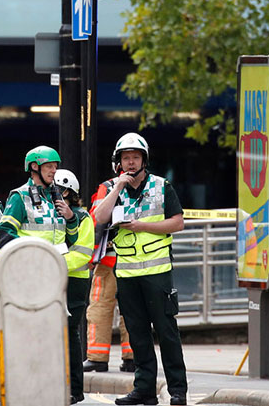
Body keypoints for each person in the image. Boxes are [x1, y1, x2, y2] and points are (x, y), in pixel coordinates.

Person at [92, 133, 187, 406]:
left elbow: (177, 223)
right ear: (118, 162)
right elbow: (98, 218)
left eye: (135, 157)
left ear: (144, 160)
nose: (130, 163)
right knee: (137, 335)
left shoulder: (161, 186)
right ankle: (144, 389)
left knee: (167, 332)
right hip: (127, 274)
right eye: (125, 158)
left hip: (157, 272)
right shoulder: (111, 187)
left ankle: (177, 390)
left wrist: (142, 226)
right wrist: (118, 188)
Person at [84, 167, 134, 373]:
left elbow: (96, 222)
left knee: (101, 309)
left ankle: (98, 357)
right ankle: (132, 358)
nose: (131, 163)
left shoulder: (107, 188)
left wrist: (91, 256)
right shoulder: (150, 188)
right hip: (131, 261)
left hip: (110, 261)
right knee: (132, 311)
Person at [54, 169, 93, 404]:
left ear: (67, 191)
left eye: (55, 190)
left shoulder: (83, 217)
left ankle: (75, 389)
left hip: (74, 281)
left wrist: (53, 262)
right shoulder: (50, 215)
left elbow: (83, 253)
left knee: (69, 333)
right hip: (53, 277)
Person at [0, 145, 78, 249]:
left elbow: (72, 240)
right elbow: (4, 234)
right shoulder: (20, 197)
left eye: (55, 167)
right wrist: (30, 253)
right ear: (35, 166)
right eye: (49, 166)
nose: (54, 171)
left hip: (56, 263)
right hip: (30, 263)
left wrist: (71, 218)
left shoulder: (57, 197)